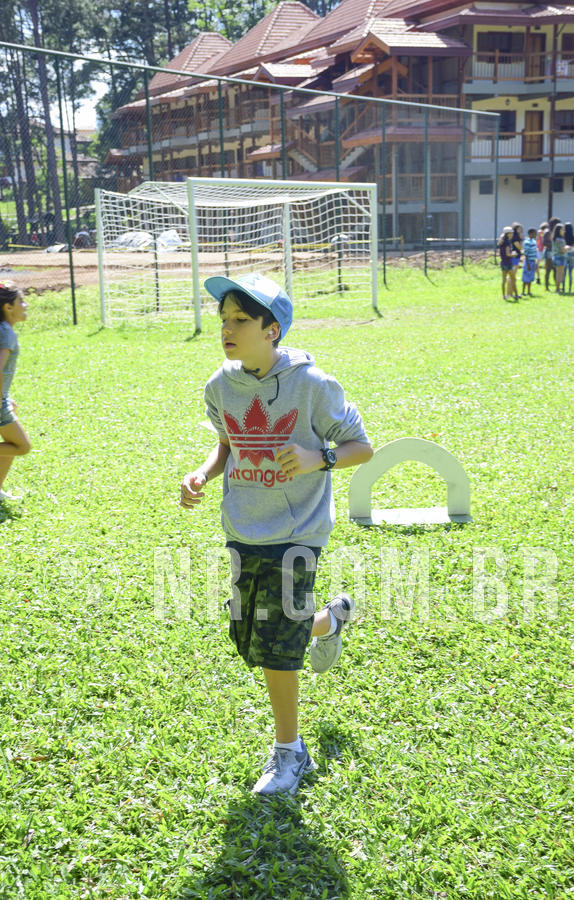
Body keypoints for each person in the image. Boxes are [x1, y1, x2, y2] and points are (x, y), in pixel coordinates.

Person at [180, 272, 373, 796]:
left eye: (241, 320)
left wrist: (317, 457)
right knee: (253, 636)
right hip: (243, 527)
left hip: (297, 531)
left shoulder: (313, 385)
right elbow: (228, 444)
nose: (227, 329)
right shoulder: (220, 386)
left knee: (274, 647)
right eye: (224, 319)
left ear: (273, 330)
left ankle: (290, 751)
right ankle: (330, 620)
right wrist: (203, 474)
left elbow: (361, 447)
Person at [0, 282, 31, 501]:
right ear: (8, 307)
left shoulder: (3, 329)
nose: (25, 305)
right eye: (21, 301)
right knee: (21, 446)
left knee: (10, 444)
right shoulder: (6, 334)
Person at [498, 227, 517, 300]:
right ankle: (516, 295)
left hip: (503, 263)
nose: (512, 234)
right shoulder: (507, 243)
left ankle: (504, 296)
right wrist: (514, 254)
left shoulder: (501, 242)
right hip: (508, 263)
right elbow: (508, 254)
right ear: (508, 234)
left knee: (504, 280)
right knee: (513, 279)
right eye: (511, 233)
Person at [521, 228, 538, 296]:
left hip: (533, 261)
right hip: (528, 262)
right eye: (535, 233)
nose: (536, 235)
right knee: (525, 278)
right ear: (531, 234)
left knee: (531, 277)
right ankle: (523, 291)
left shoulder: (534, 241)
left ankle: (529, 291)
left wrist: (535, 262)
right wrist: (528, 264)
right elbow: (526, 254)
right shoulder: (527, 242)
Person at [552, 223, 566, 294]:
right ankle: (558, 289)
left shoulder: (555, 239)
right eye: (562, 229)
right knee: (560, 274)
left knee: (558, 273)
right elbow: (562, 250)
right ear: (559, 231)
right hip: (561, 257)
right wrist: (567, 248)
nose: (564, 231)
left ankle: (557, 288)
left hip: (555, 256)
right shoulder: (561, 240)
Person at [563, 222, 574, 294]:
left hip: (565, 254)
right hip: (572, 254)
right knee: (570, 273)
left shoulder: (563, 236)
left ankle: (563, 288)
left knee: (564, 273)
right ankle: (570, 289)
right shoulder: (573, 237)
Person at [510, 222, 523, 293]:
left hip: (517, 257)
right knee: (512, 275)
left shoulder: (517, 238)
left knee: (513, 275)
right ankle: (510, 291)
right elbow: (520, 247)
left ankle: (512, 291)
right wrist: (521, 239)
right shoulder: (515, 238)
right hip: (515, 257)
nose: (520, 230)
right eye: (519, 229)